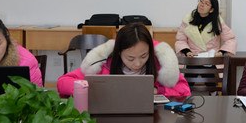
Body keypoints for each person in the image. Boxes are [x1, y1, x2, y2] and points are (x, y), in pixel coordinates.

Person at [57, 23, 190, 98]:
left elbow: (184, 90)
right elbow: (63, 82)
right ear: (119, 53)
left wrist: (157, 91)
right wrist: (92, 88)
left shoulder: (159, 64)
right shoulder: (103, 65)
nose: (137, 63)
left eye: (144, 56)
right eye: (130, 58)